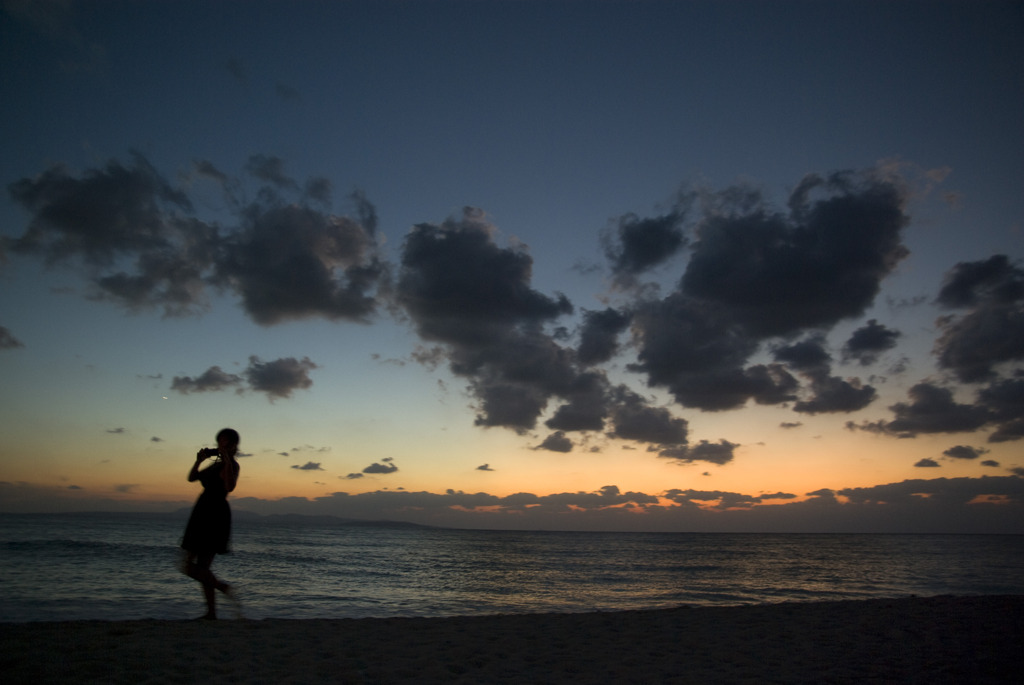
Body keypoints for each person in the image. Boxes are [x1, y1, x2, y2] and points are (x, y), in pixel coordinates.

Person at [180, 427, 241, 620]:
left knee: (191, 566)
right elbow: (191, 477)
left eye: (224, 441)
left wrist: (227, 461)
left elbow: (230, 487)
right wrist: (199, 460)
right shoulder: (216, 464)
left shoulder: (231, 465)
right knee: (196, 566)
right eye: (219, 440)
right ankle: (212, 611)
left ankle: (222, 589)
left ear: (232, 445)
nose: (220, 444)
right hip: (202, 510)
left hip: (215, 513)